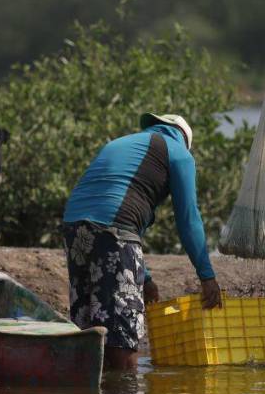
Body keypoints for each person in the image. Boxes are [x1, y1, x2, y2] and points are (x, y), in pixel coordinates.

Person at [60, 113, 222, 370]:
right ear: (183, 136)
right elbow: (189, 219)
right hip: (114, 229)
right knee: (122, 332)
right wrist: (207, 276)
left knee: (89, 325)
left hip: (73, 224)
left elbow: (112, 209)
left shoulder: (123, 143)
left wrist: (144, 278)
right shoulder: (180, 153)